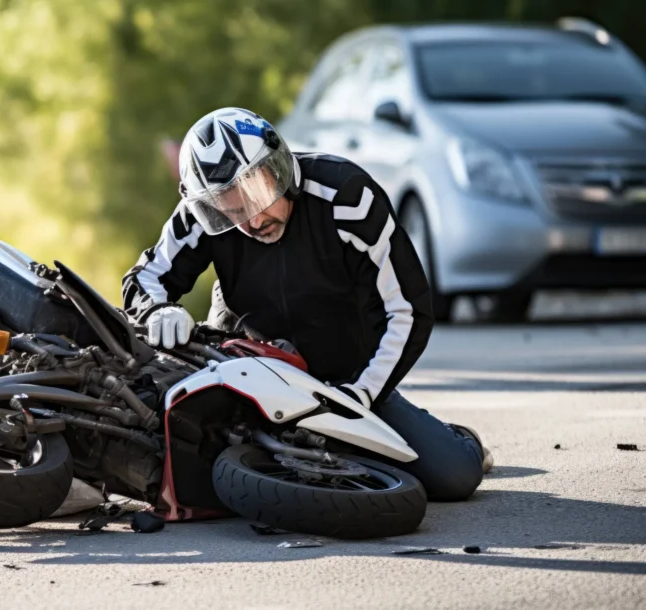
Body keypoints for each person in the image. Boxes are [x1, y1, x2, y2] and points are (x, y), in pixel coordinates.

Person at [122, 107, 491, 501]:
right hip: (254, 373)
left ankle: (455, 439)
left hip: (348, 379)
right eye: (229, 211)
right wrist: (157, 310)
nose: (251, 220)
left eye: (255, 195)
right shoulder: (201, 211)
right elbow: (144, 278)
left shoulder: (348, 196)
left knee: (454, 477)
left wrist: (362, 392)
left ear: (279, 166)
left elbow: (408, 308)